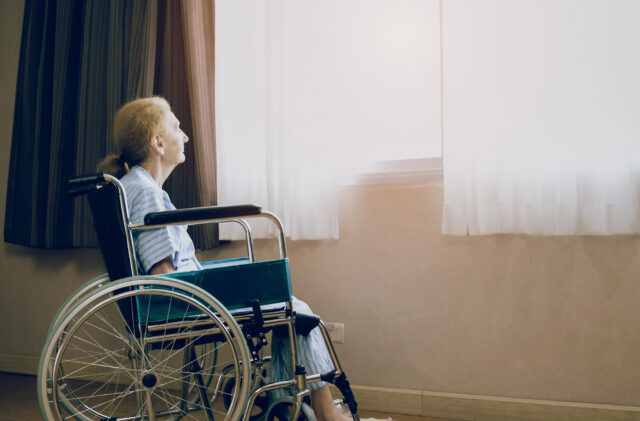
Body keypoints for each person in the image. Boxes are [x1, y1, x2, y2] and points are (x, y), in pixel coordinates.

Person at [98, 97, 389, 421]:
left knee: (289, 308)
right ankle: (321, 414)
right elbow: (164, 273)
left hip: (184, 298)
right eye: (178, 128)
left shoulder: (135, 186)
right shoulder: (146, 191)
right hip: (181, 306)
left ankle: (290, 405)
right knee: (294, 310)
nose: (186, 137)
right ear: (158, 143)